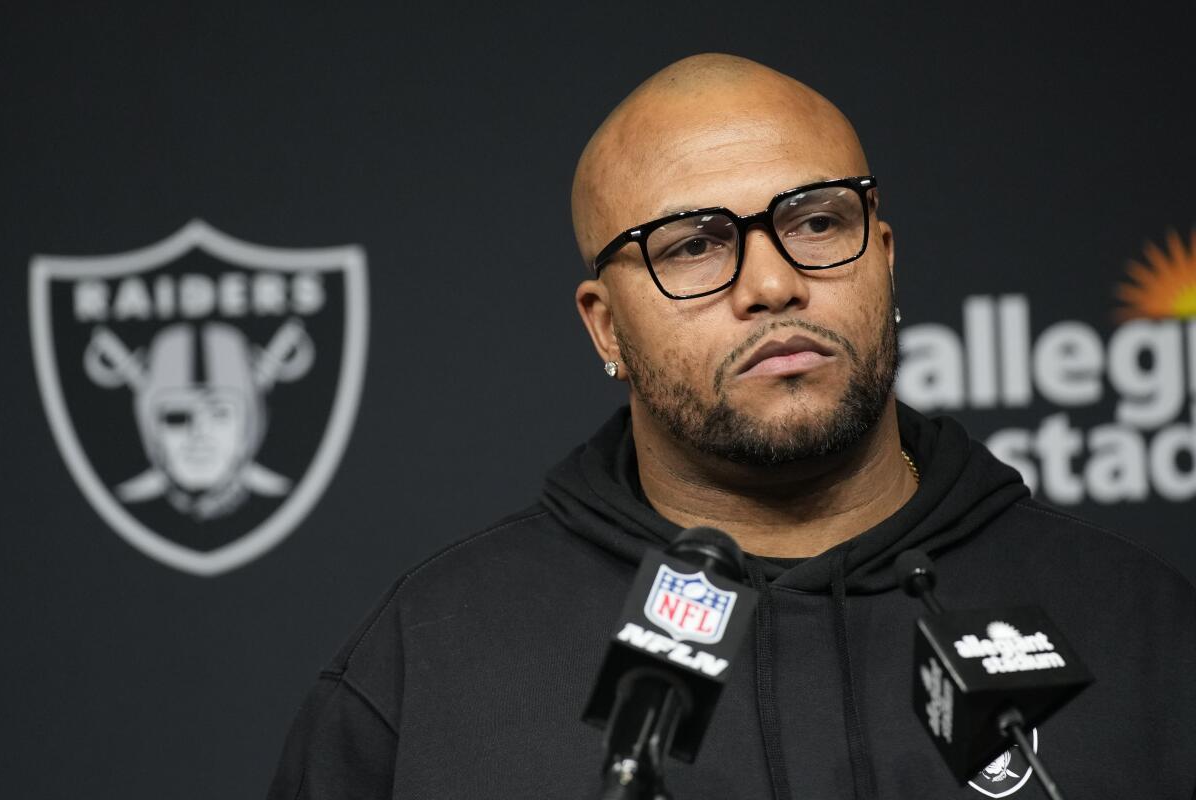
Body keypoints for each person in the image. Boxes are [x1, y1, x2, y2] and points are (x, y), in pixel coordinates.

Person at [267, 54, 1196, 799]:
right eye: (694, 246)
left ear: (885, 256)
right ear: (605, 326)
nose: (772, 283)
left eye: (818, 220)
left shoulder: (1143, 628)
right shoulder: (435, 659)